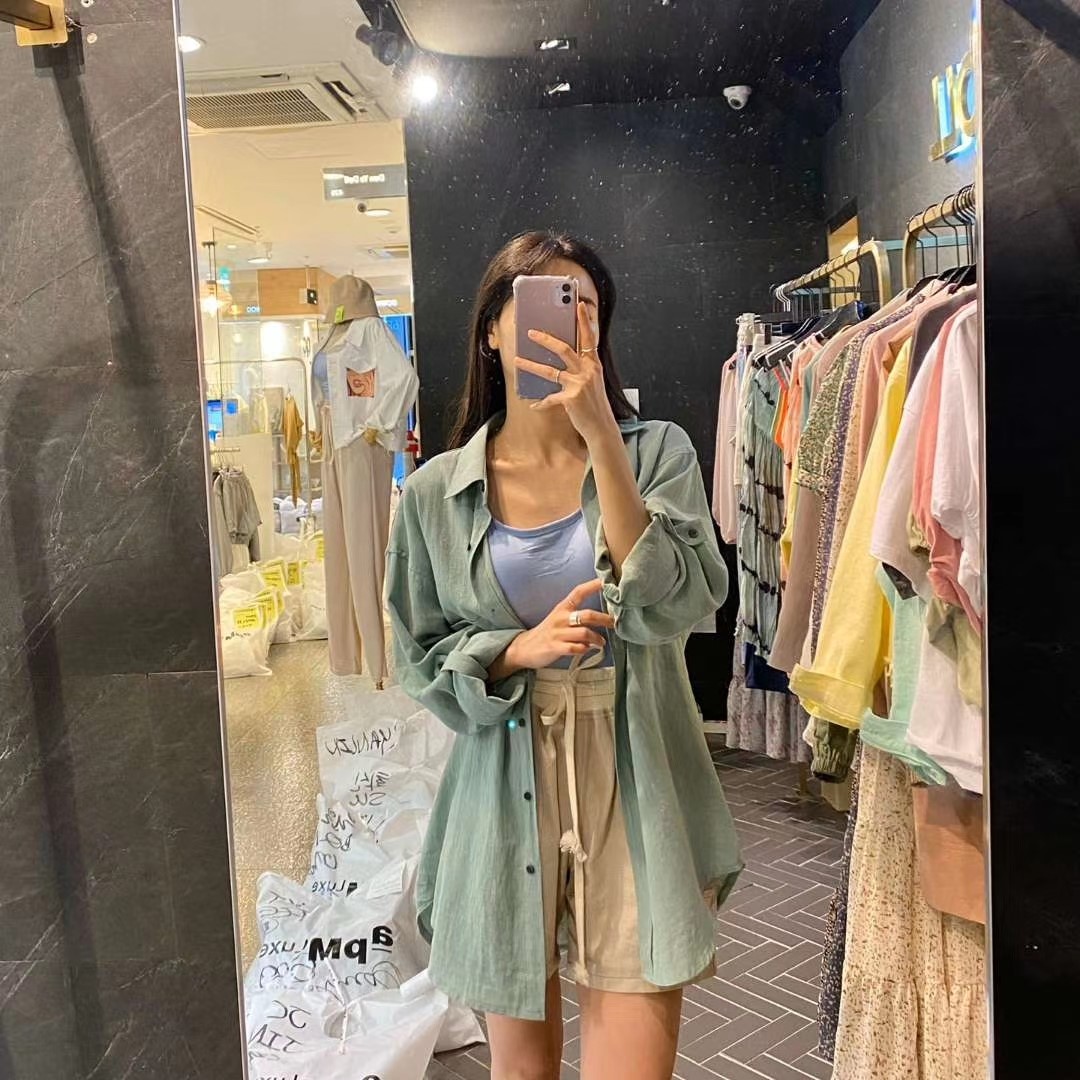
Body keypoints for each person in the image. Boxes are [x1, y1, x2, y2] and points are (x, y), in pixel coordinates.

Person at [386, 231, 743, 1080]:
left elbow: (687, 598)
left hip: (636, 766)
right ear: (492, 329)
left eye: (583, 301)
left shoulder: (657, 451)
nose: (566, 315)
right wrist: (515, 648)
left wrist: (602, 438)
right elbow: (419, 655)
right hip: (503, 778)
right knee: (522, 1072)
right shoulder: (436, 491)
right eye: (542, 297)